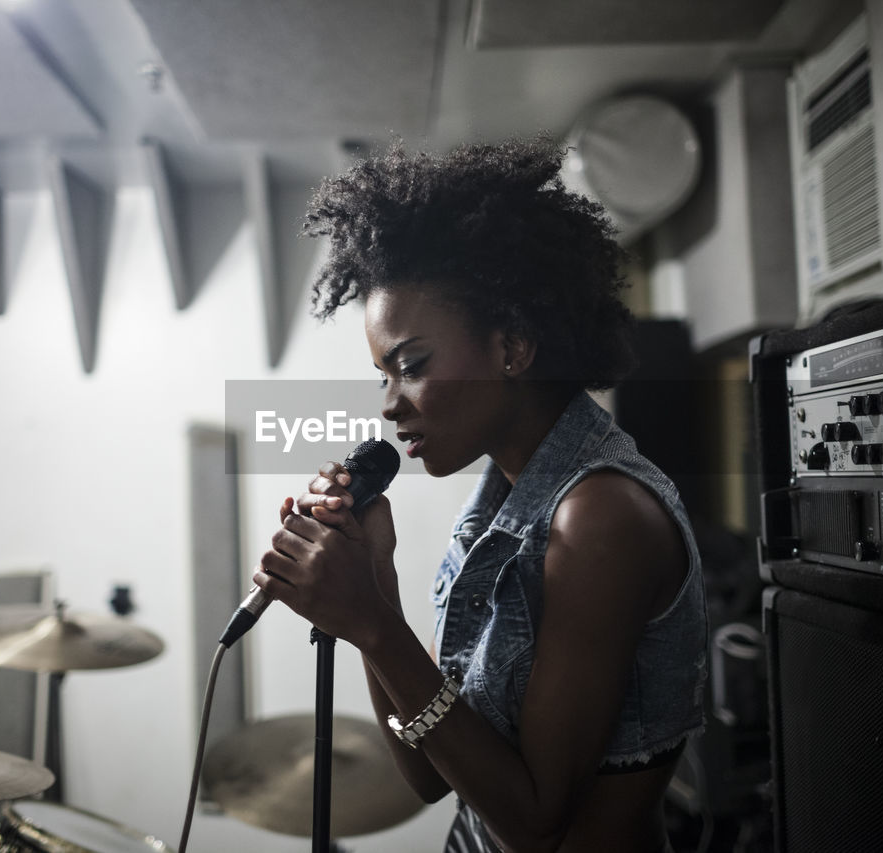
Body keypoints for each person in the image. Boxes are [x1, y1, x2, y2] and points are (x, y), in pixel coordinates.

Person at [252, 138, 708, 853]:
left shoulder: (601, 517)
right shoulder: (500, 505)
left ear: (512, 346)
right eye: (384, 375)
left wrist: (372, 623)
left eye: (412, 364)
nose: (391, 405)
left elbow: (533, 822)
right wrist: (376, 576)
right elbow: (429, 773)